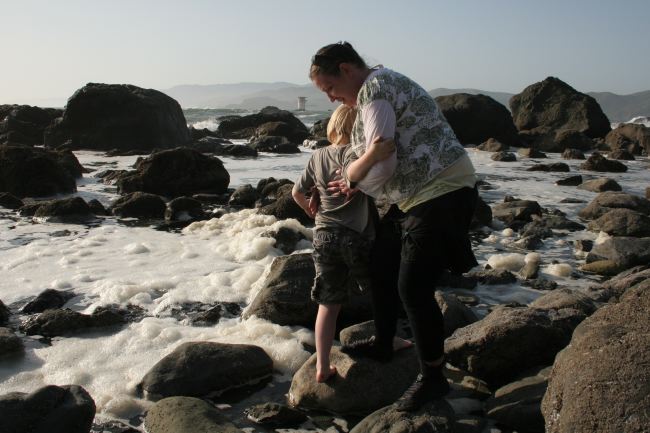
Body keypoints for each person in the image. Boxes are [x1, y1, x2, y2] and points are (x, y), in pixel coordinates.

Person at [309, 41, 478, 411]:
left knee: (413, 287)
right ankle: (385, 343)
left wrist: (353, 180)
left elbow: (383, 162)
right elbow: (381, 160)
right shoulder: (375, 88)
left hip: (443, 191)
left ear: (346, 70)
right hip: (416, 196)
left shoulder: (374, 91)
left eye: (330, 88)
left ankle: (433, 378)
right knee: (380, 264)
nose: (332, 98)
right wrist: (358, 180)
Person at [291, 104, 395, 383]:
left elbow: (296, 192)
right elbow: (362, 177)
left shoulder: (317, 156)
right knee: (381, 291)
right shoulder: (355, 154)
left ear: (332, 127)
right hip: (356, 236)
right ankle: (390, 338)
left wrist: (311, 210)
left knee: (328, 303)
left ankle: (322, 365)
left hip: (323, 236)